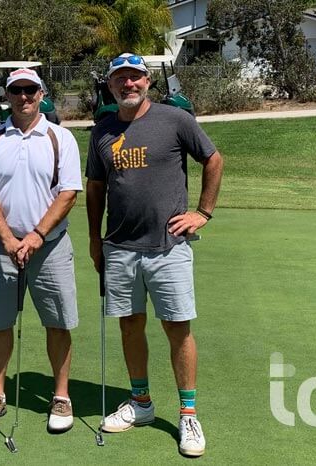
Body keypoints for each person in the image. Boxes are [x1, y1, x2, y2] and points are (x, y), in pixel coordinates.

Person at [86, 53, 223, 457]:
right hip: (120, 246)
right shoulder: (102, 131)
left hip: (169, 247)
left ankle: (188, 413)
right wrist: (95, 239)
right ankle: (141, 403)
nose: (128, 85)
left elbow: (213, 159)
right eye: (120, 80)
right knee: (130, 326)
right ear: (110, 86)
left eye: (134, 78)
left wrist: (202, 212)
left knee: (177, 329)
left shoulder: (174, 119)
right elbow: (95, 187)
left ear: (147, 81)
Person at [0, 68, 82, 433]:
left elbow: (68, 193)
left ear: (41, 93)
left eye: (30, 90)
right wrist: (7, 238)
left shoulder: (60, 138)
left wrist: (35, 236)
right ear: (7, 95)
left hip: (49, 247)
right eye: (16, 90)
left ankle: (61, 396)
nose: (23, 96)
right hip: (2, 246)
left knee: (58, 323)